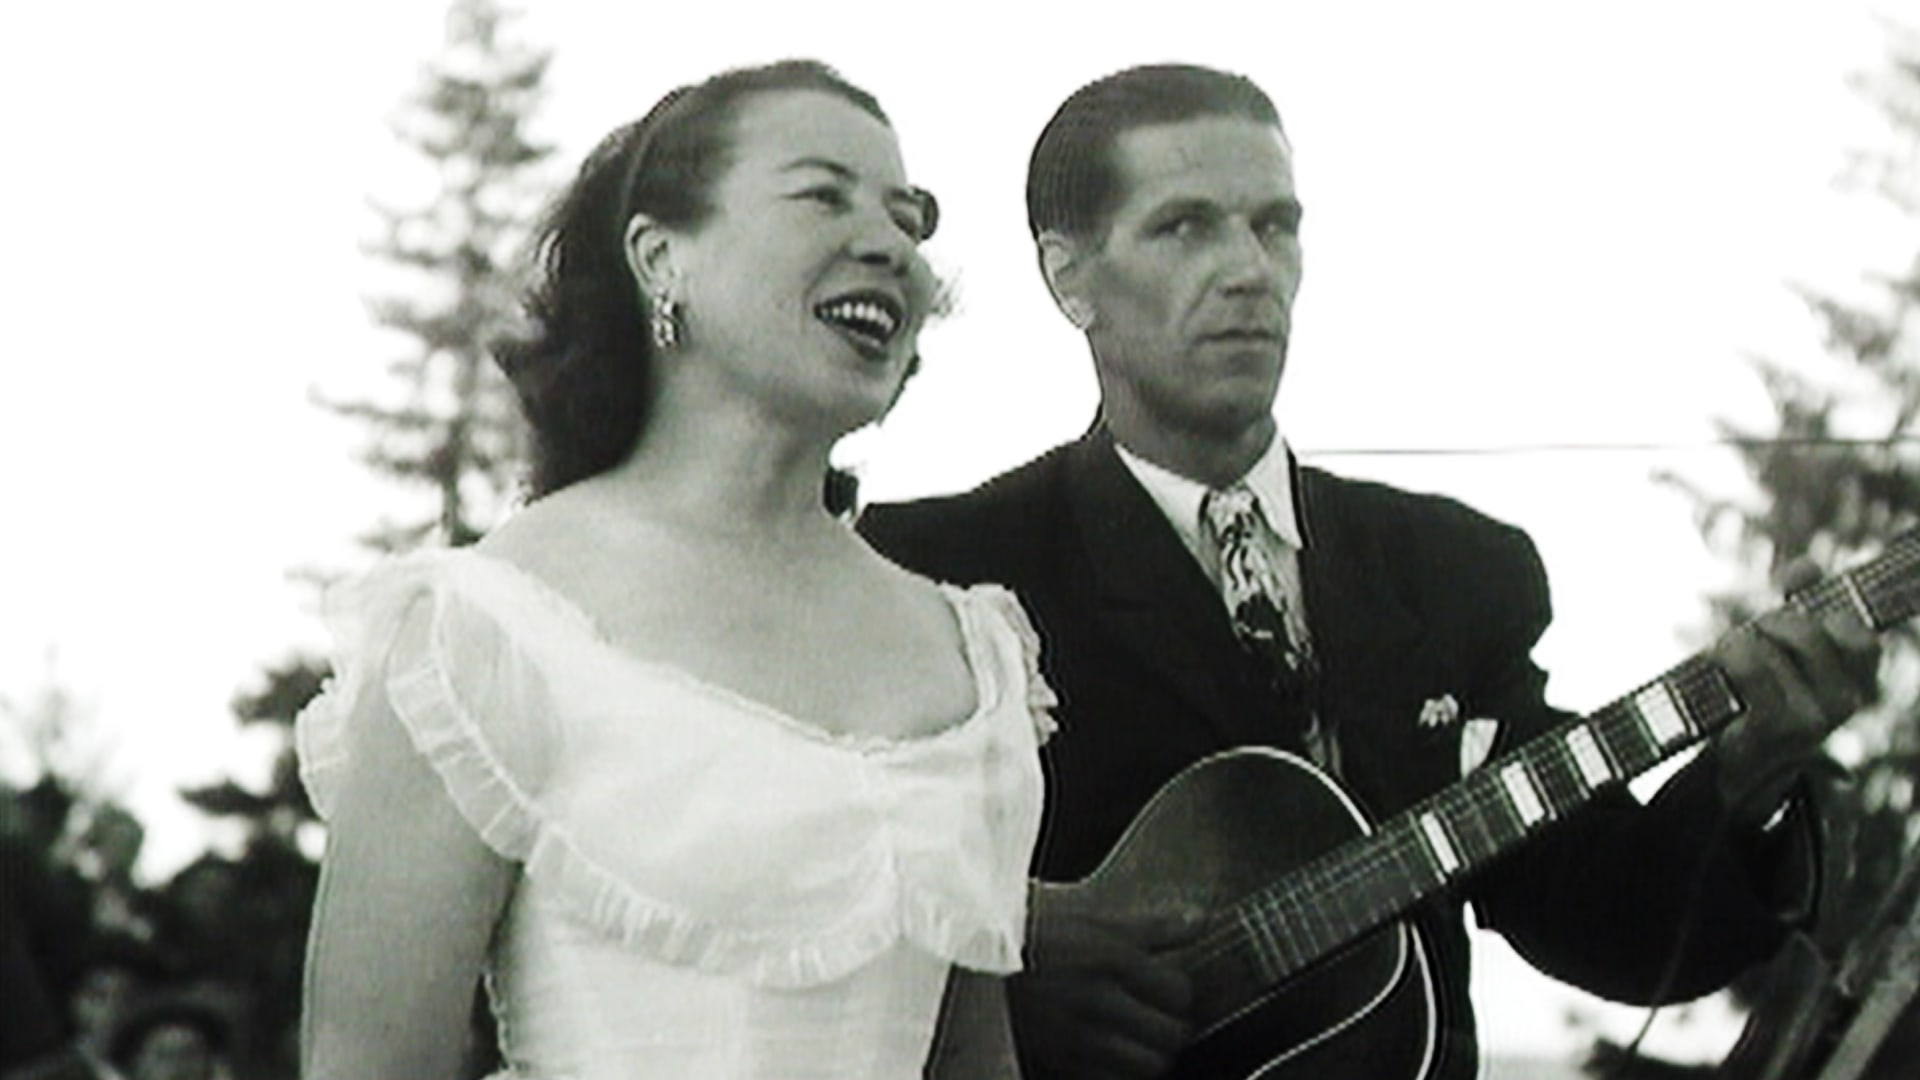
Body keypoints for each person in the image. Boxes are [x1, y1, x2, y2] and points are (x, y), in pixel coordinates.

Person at [859, 63, 1882, 1079]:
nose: (1249, 270)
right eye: (1185, 228)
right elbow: (818, 893)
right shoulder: (940, 571)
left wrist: (1748, 768)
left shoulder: (1449, 571)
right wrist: (991, 983)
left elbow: (1610, 920)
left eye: (1275, 226)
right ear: (1069, 276)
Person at [295, 60, 1051, 1079]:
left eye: (907, 219)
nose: (890, 246)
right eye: (823, 196)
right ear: (661, 257)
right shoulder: (489, 629)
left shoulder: (969, 654)